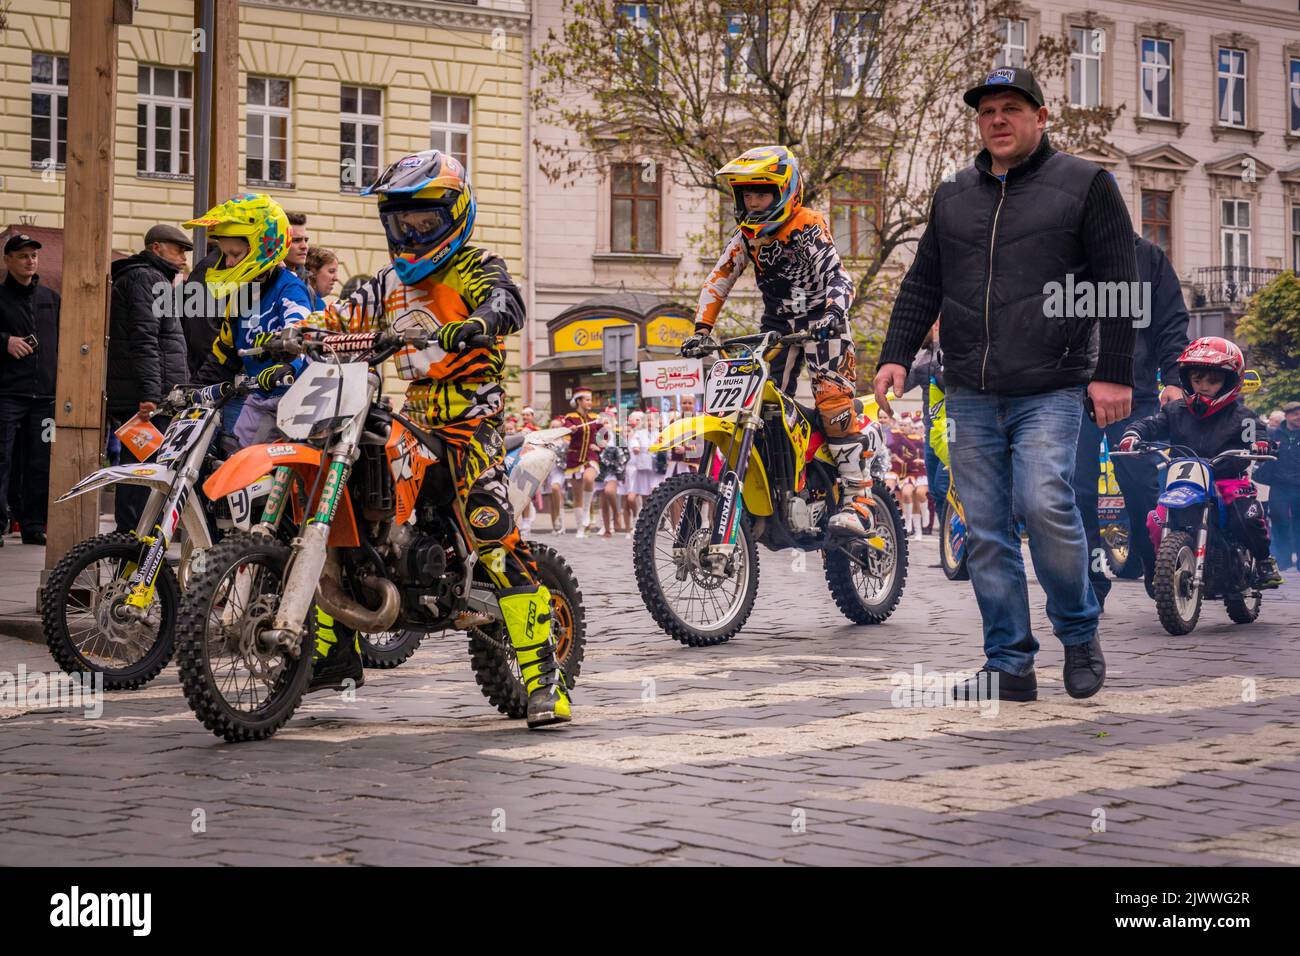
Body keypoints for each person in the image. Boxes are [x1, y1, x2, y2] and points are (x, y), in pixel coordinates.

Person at [874, 67, 1138, 703]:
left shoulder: (1086, 184)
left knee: (1045, 504)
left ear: (1040, 117)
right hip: (968, 389)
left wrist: (1113, 373)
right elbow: (923, 282)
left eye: (1012, 108)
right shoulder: (953, 195)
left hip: (1051, 386)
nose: (998, 119)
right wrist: (895, 354)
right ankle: (1010, 663)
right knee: (984, 528)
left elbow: (1120, 281)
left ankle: (1078, 632)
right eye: (987, 110)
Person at [303, 149, 571, 728]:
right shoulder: (386, 283)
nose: (413, 231)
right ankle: (332, 654)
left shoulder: (474, 267)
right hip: (411, 416)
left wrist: (478, 323)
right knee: (339, 518)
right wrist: (298, 332)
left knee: (494, 537)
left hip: (471, 425)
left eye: (425, 220)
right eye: (403, 221)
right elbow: (340, 315)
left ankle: (544, 679)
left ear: (454, 215)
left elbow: (508, 302)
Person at [684, 145, 873, 536]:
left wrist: (834, 312)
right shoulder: (745, 236)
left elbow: (841, 278)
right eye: (746, 193)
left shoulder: (808, 224)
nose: (752, 200)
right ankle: (776, 489)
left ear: (784, 191)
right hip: (777, 326)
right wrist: (702, 330)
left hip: (823, 320)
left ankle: (858, 500)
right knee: (761, 405)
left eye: (761, 192)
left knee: (833, 403)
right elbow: (718, 279)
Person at [1073, 232, 1190, 608]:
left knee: (1141, 487)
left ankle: (1152, 560)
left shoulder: (1148, 258)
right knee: (1076, 491)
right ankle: (1090, 583)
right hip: (1074, 394)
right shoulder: (1062, 250)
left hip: (1133, 393)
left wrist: (1174, 380)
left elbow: (1171, 324)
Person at [1118, 337, 1282, 589]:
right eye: (1197, 379)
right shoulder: (1175, 411)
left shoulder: (1242, 416)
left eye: (1213, 380)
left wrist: (1261, 445)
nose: (1203, 386)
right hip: (1184, 482)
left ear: (1229, 381)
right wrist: (1133, 435)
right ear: (1187, 379)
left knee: (1245, 517)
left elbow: (1257, 433)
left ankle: (1263, 560)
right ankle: (1157, 568)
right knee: (1155, 519)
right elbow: (1151, 424)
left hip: (1227, 481)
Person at [188, 194, 312, 447]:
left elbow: (303, 332)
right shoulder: (240, 296)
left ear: (262, 248)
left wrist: (288, 360)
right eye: (226, 255)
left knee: (278, 477)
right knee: (231, 468)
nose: (229, 262)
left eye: (235, 254)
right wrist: (193, 391)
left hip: (297, 401)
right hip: (259, 400)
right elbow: (224, 355)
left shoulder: (290, 289)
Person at [107, 224, 193, 533]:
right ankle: (133, 538)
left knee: (145, 468)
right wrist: (150, 395)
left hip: (146, 392)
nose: (183, 256)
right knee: (141, 471)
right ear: (156, 248)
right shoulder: (147, 278)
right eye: (178, 249)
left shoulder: (152, 278)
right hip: (145, 398)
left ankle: (136, 535)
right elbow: (144, 339)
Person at [0, 234, 59, 546]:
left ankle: (34, 524)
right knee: (2, 459)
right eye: (22, 255)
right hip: (8, 393)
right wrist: (4, 341)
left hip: (45, 396)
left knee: (40, 462)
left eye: (33, 255)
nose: (29, 261)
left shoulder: (51, 297)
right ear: (8, 259)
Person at [1259, 401, 1300, 571]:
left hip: (1298, 485)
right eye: (1295, 413)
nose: (1298, 417)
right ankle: (1283, 559)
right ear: (1287, 415)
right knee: (1278, 520)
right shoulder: (1274, 434)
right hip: (1279, 485)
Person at [561, 387, 602, 539]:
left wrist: (600, 446)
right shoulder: (570, 418)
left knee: (588, 478)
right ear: (578, 401)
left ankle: (586, 513)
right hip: (574, 459)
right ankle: (580, 528)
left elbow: (605, 434)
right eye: (587, 399)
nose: (590, 402)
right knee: (577, 495)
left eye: (590, 399)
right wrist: (569, 430)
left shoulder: (594, 417)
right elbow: (564, 432)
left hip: (591, 456)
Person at [624, 410, 655, 535]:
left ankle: (645, 522)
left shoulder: (647, 434)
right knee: (630, 499)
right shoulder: (627, 433)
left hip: (645, 468)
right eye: (634, 419)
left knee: (646, 497)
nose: (637, 422)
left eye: (639, 419)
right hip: (630, 469)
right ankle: (634, 521)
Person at [285, 211, 310, 282]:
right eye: (296, 240)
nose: (304, 246)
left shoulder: (308, 283)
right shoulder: (259, 280)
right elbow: (254, 293)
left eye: (306, 240)